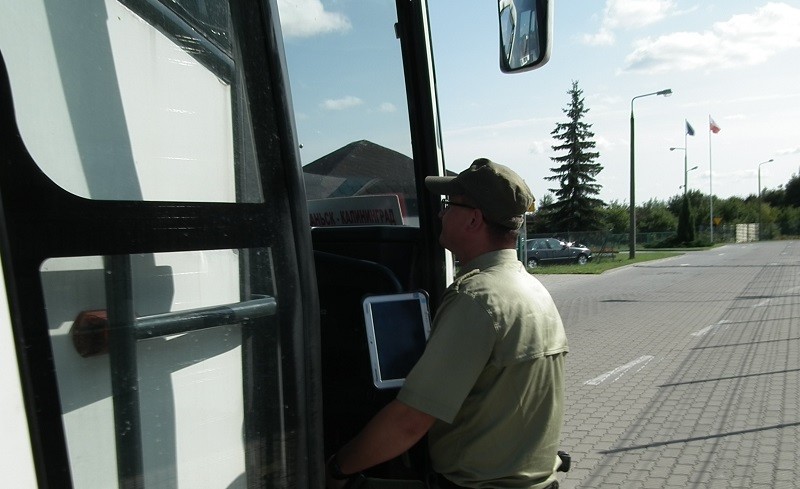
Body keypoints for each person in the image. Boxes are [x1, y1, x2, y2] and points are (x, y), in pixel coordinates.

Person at [326, 158, 569, 489]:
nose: (440, 213)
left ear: (473, 219)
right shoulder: (530, 289)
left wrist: (337, 468)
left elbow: (410, 421)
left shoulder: (477, 298)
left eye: (447, 205)